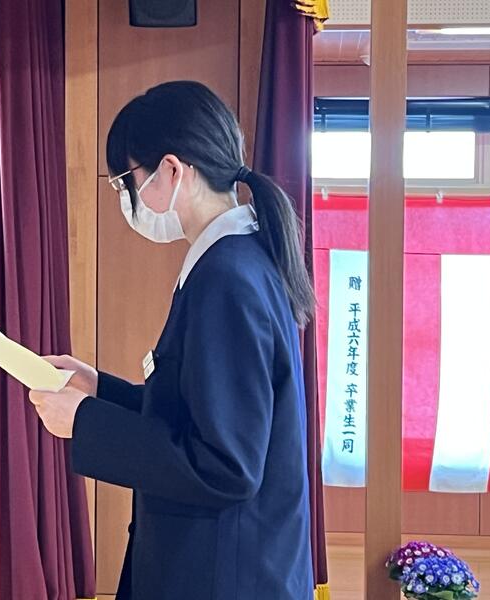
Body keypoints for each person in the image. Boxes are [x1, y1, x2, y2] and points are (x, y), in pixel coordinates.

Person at [29, 80, 314, 600]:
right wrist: (100, 390)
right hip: (226, 563)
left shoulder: (226, 277)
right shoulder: (236, 259)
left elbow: (225, 465)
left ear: (172, 170)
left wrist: (85, 421)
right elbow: (200, 411)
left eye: (126, 181)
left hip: (221, 575)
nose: (127, 198)